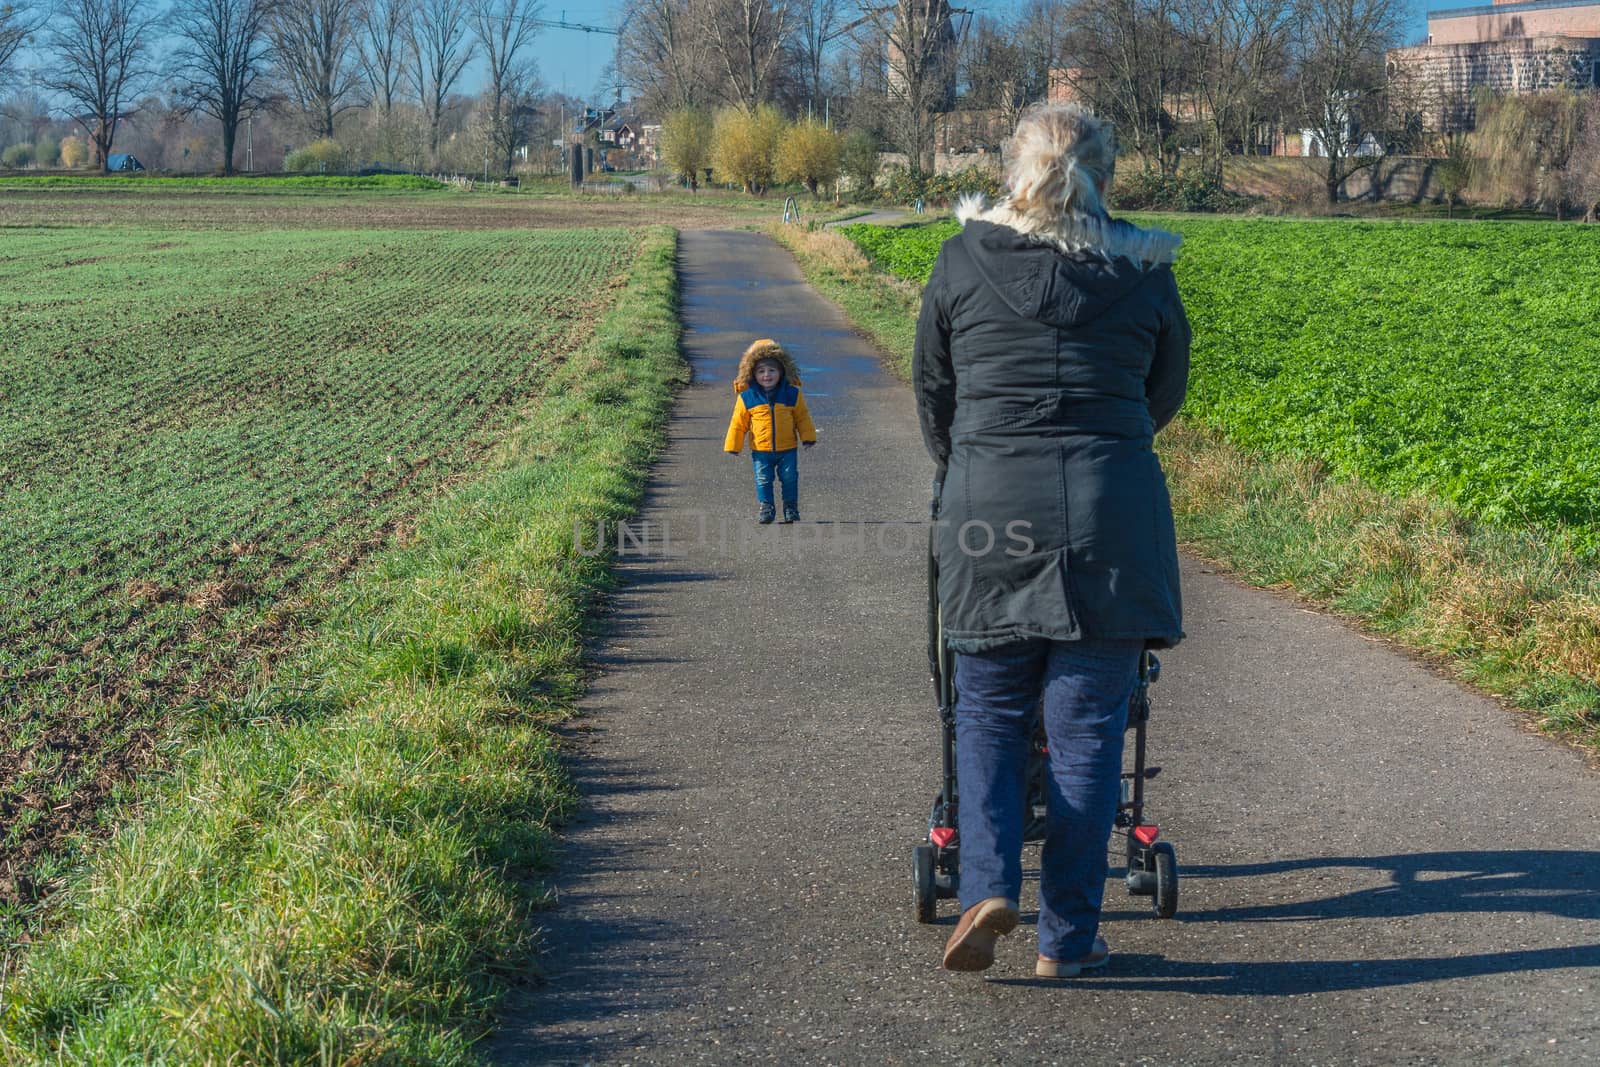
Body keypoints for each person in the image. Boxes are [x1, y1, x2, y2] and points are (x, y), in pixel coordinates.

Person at [914, 104, 1191, 977]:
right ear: (1105, 174)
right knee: (1087, 732)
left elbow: (934, 391)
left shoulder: (962, 260)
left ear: (1013, 168)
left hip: (991, 507)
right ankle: (1067, 938)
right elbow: (1165, 388)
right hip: (1112, 513)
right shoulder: (1143, 269)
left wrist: (967, 468)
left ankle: (989, 886)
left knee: (989, 714)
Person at [724, 339, 818, 523]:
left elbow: (802, 417)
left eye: (772, 370)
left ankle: (790, 506)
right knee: (763, 479)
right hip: (761, 450)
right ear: (752, 374)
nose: (766, 375)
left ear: (781, 372)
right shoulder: (748, 397)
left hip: (787, 448)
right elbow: (738, 423)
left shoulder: (791, 394)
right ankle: (766, 507)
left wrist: (807, 437)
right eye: (761, 371)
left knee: (790, 477)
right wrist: (733, 445)